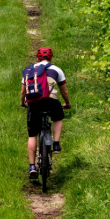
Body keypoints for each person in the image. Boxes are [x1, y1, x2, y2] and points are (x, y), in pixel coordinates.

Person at [21, 46, 71, 181]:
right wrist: (67, 103)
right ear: (51, 57)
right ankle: (55, 143)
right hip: (51, 101)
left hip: (34, 103)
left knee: (32, 134)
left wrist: (23, 103)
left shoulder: (29, 70)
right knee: (58, 117)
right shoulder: (57, 70)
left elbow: (23, 92)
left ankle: (32, 166)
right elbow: (64, 91)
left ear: (37, 57)